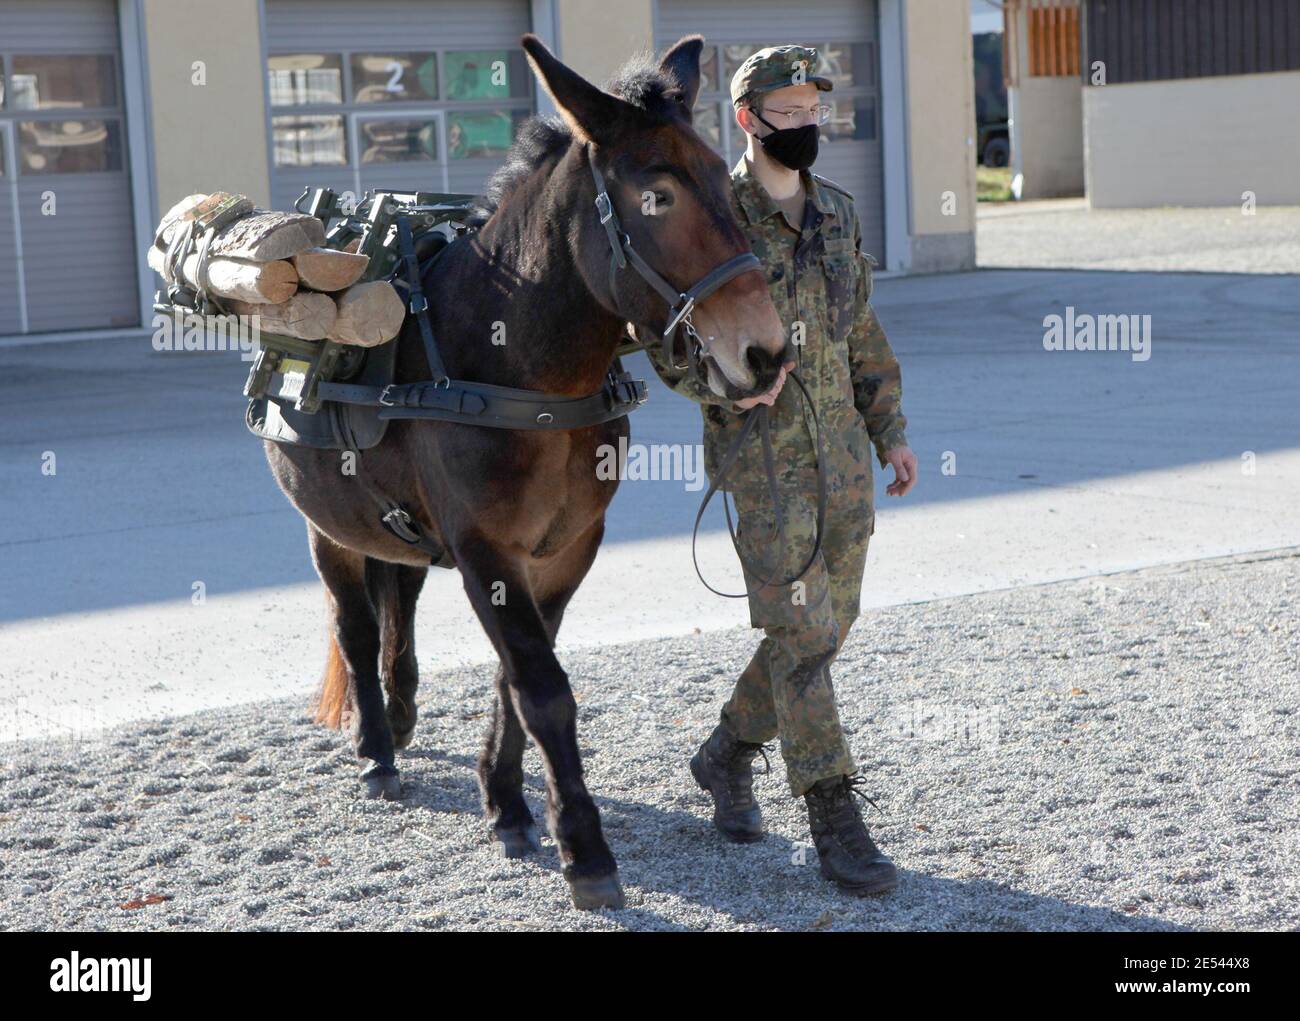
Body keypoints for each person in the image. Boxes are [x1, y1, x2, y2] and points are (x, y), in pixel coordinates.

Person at [640, 44, 918, 895]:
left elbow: (859, 331)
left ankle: (726, 753)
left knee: (830, 626)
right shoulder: (711, 215)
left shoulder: (837, 212)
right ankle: (834, 814)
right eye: (788, 111)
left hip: (842, 455)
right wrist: (723, 394)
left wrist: (892, 430)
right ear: (748, 118)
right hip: (762, 459)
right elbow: (662, 337)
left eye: (814, 110)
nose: (805, 124)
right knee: (802, 631)